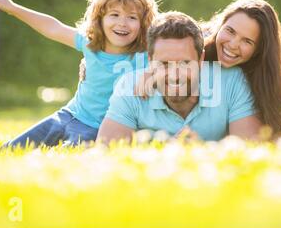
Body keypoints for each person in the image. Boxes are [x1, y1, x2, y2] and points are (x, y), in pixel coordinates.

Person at [0, 0, 160, 149]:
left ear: (143, 24)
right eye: (114, 14)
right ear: (100, 19)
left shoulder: (144, 55)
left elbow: (180, 53)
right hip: (67, 115)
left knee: (67, 157)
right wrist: (12, 8)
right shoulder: (89, 43)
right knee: (10, 149)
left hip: (97, 128)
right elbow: (53, 27)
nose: (122, 23)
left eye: (132, 17)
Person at [131, 0, 281, 142]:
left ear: (259, 49)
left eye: (247, 41)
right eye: (230, 31)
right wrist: (150, 71)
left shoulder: (263, 77)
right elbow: (165, 42)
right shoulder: (199, 46)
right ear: (220, 26)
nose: (232, 45)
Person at [97, 11, 262, 143]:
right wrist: (164, 150)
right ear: (150, 60)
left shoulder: (231, 81)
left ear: (201, 60)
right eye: (165, 64)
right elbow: (106, 156)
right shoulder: (129, 86)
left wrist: (201, 151)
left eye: (184, 63)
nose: (175, 76)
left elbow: (248, 152)